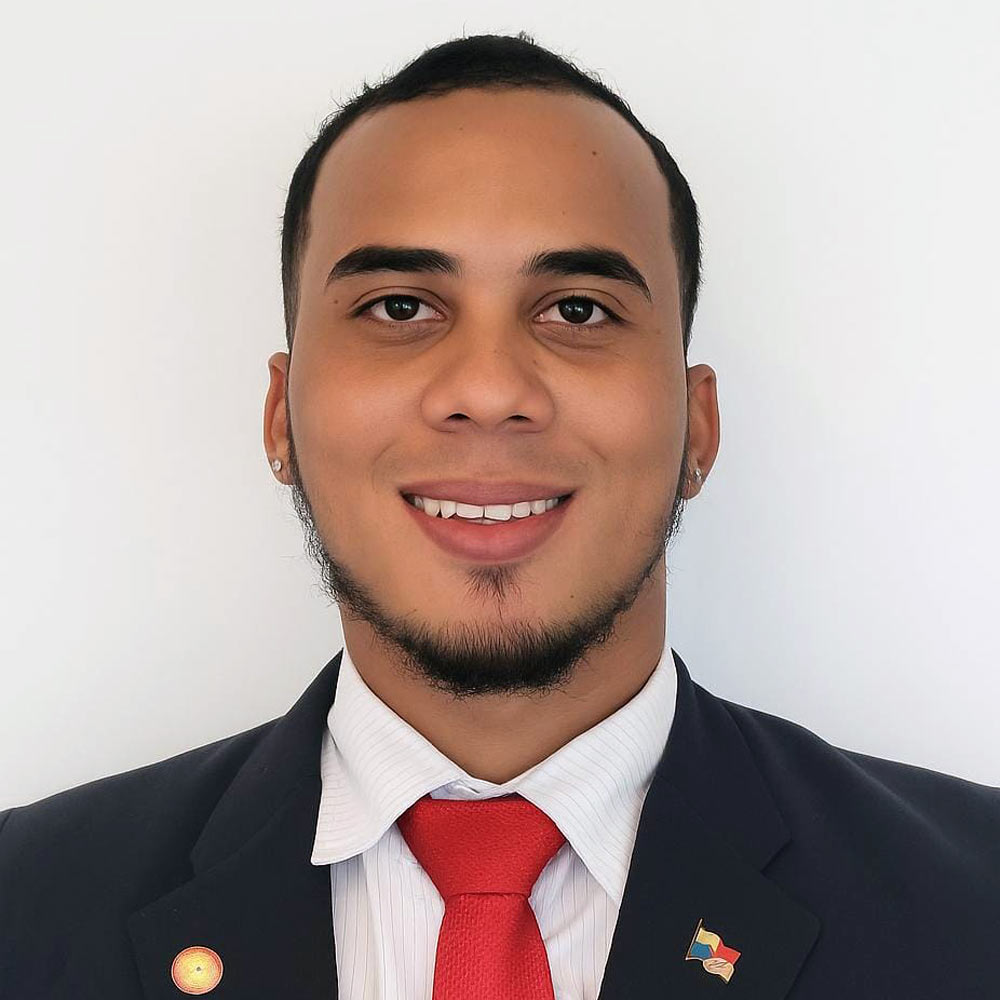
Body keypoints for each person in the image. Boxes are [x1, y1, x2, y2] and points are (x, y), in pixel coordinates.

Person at [1, 31, 997, 1000]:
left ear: (697, 427)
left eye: (577, 310)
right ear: (281, 418)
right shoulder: (24, 909)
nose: (487, 390)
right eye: (399, 307)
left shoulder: (975, 909)